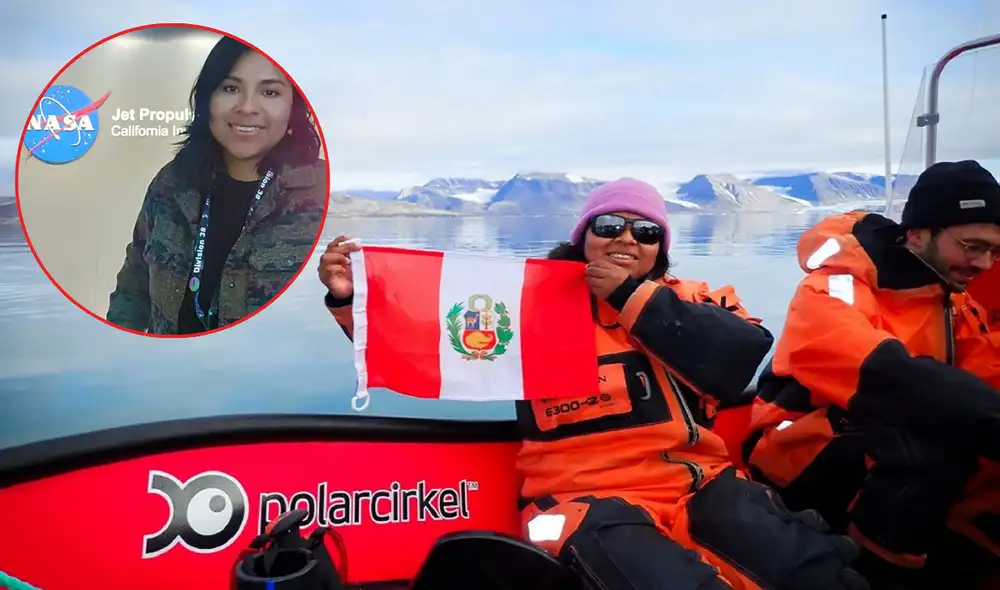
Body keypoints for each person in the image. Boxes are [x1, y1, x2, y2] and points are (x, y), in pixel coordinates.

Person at [319, 178, 867, 589]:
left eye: (645, 231)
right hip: (582, 500)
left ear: (661, 247)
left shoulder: (699, 298)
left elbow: (738, 357)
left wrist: (631, 297)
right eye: (608, 228)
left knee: (815, 572)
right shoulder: (526, 305)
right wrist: (351, 299)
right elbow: (424, 344)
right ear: (584, 238)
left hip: (698, 482)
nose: (626, 239)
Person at [742, 160, 1000, 589]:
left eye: (995, 251)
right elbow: (876, 369)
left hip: (882, 432)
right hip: (794, 443)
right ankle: (877, 574)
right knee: (926, 450)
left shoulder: (951, 297)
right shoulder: (837, 286)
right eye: (972, 246)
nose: (985, 264)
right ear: (918, 232)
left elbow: (984, 370)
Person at [106, 35, 326, 335]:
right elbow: (135, 280)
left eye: (270, 92)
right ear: (207, 100)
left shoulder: (321, 194)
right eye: (230, 88)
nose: (247, 107)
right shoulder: (172, 183)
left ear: (293, 109)